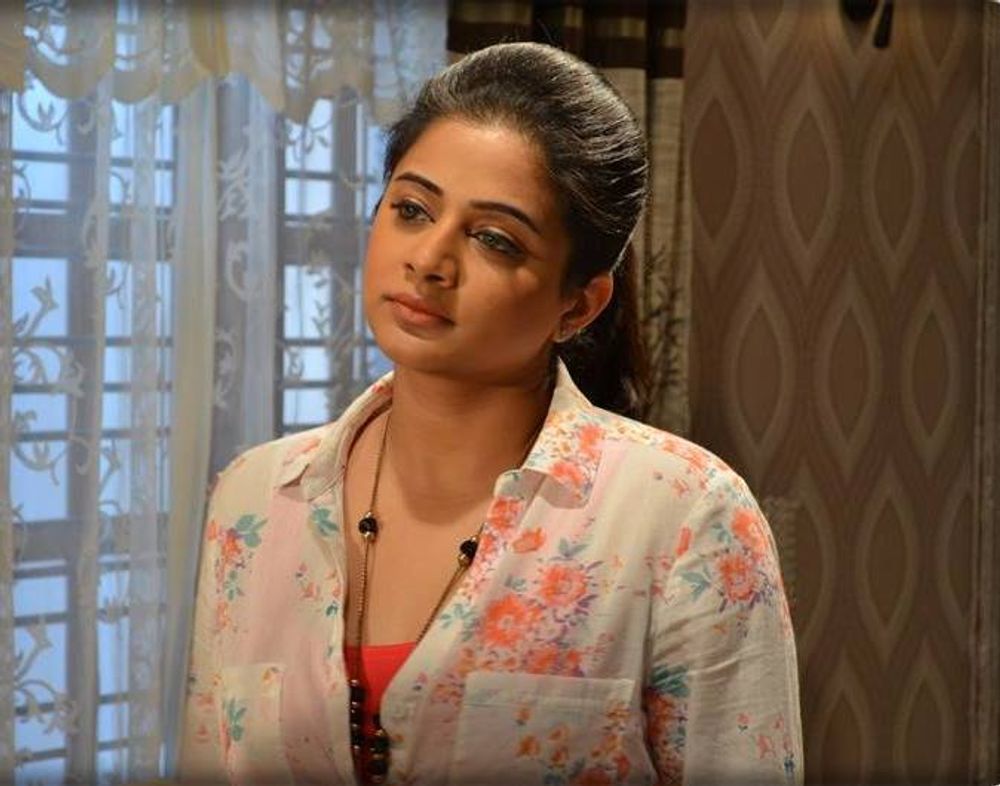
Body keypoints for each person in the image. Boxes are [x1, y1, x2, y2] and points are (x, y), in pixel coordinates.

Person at [179, 41, 802, 786]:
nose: (430, 260)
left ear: (579, 304)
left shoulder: (686, 516)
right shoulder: (254, 498)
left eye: (494, 240)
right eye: (412, 210)